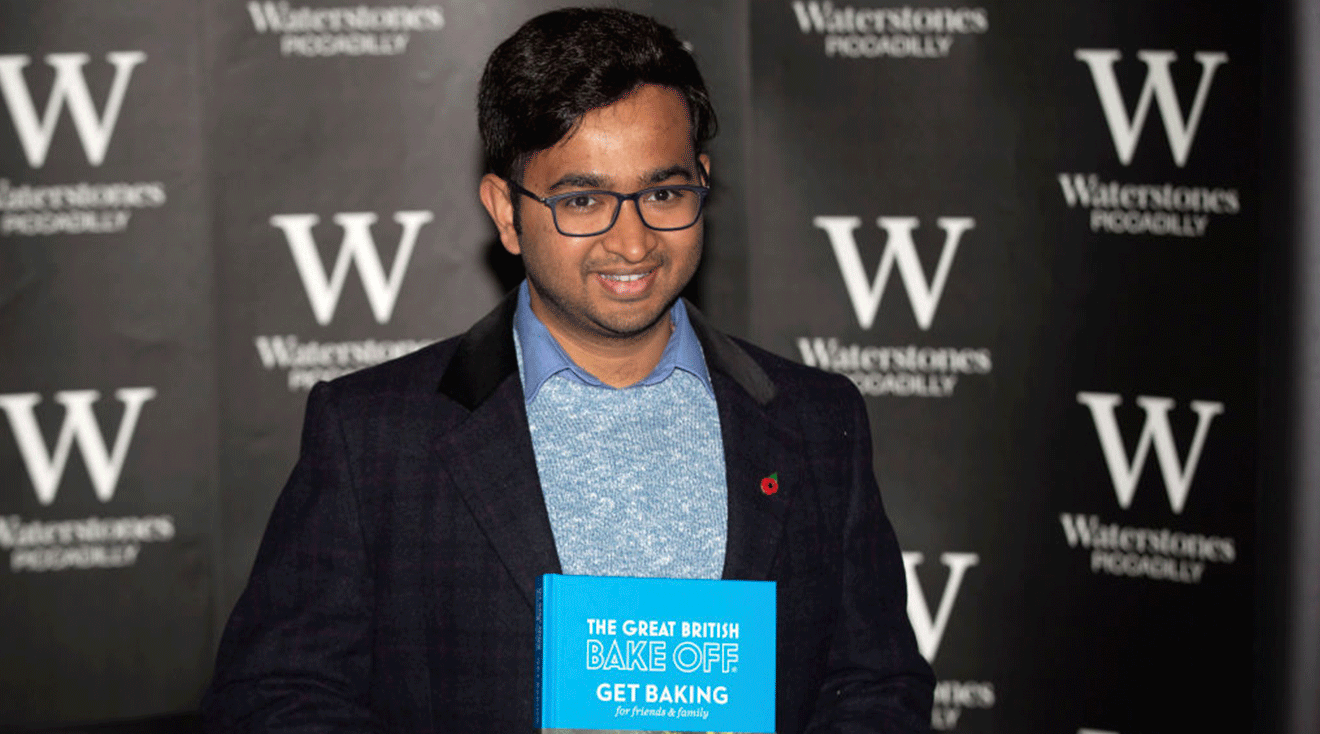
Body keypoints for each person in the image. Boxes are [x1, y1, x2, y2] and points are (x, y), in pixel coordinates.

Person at [203, 7, 933, 733]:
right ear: (506, 213)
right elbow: (276, 697)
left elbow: (876, 686)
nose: (633, 239)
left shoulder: (816, 420)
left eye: (664, 193)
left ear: (702, 184)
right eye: (582, 200)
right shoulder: (372, 436)